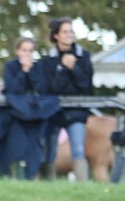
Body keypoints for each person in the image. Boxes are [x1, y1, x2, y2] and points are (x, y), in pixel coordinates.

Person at [39, 17, 93, 181]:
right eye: (65, 31)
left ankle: (82, 186)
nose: (69, 35)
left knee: (78, 149)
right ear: (56, 35)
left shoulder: (83, 56)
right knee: (50, 149)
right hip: (54, 112)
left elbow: (86, 86)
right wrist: (63, 69)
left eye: (71, 31)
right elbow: (50, 88)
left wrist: (74, 68)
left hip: (77, 111)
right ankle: (48, 185)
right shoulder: (47, 60)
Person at [0, 37, 55, 179]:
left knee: (34, 148)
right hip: (14, 113)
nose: (27, 54)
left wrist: (30, 72)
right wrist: (23, 71)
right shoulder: (10, 67)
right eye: (24, 50)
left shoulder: (38, 68)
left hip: (34, 115)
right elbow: (13, 88)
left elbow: (41, 88)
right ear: (17, 51)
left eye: (30, 51)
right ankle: (8, 174)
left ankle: (30, 176)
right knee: (14, 146)